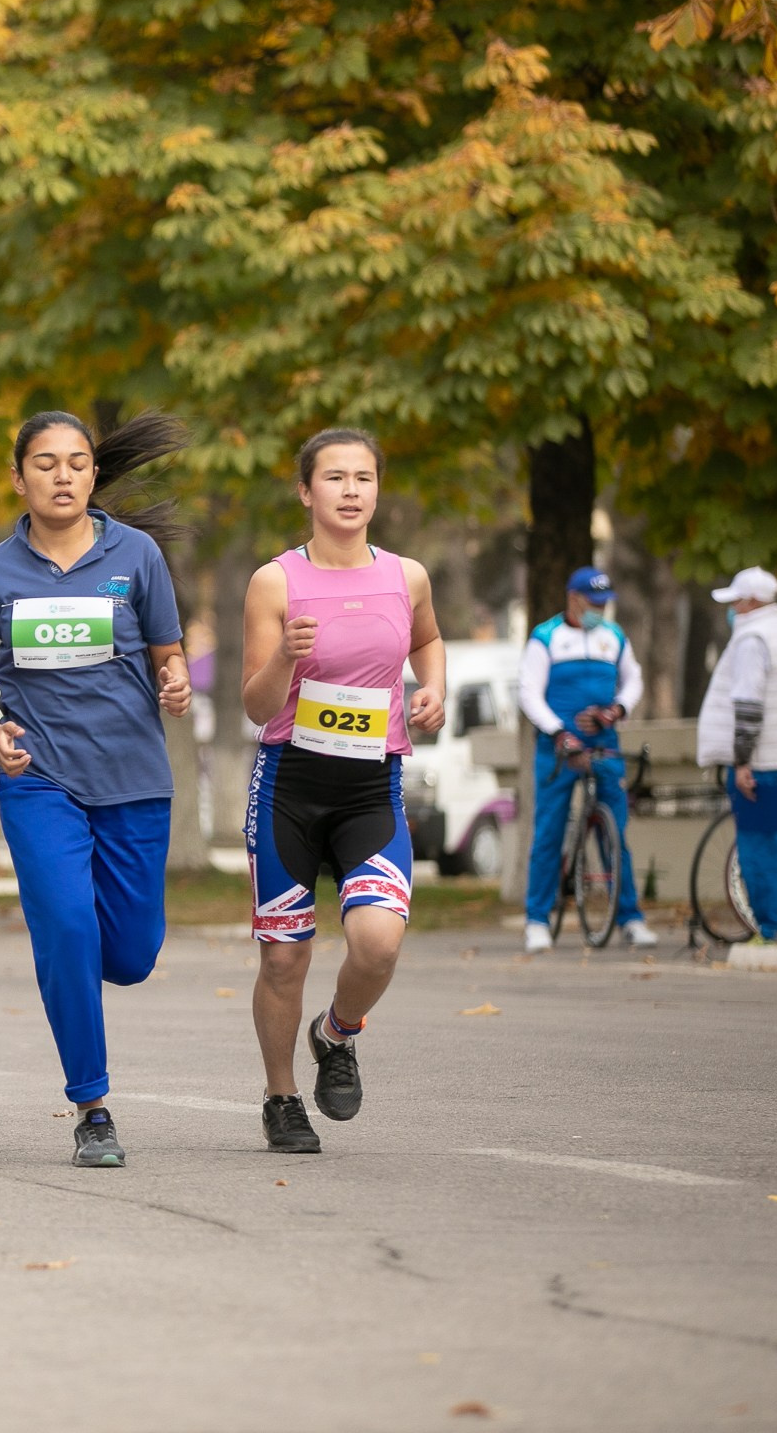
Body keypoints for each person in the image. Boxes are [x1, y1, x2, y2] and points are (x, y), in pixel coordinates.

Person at [0, 410, 192, 1169]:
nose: (63, 475)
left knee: (130, 955)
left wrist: (175, 680)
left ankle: (91, 994)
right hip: (38, 779)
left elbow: (168, 657)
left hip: (133, 782)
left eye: (77, 462)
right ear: (19, 479)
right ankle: (93, 1106)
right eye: (45, 463)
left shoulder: (138, 557)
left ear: (93, 475)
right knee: (68, 931)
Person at [239, 429, 445, 1155]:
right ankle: (281, 1095)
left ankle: (336, 1034)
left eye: (364, 477)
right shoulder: (275, 582)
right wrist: (288, 662)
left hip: (370, 786)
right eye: (334, 477)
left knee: (378, 940)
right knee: (284, 957)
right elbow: (255, 705)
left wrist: (435, 690)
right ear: (306, 491)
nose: (352, 490)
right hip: (289, 785)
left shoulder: (406, 576)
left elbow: (427, 640)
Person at [517, 567, 655, 952]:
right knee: (549, 833)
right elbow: (529, 693)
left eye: (604, 602)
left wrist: (618, 709)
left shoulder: (614, 637)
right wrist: (559, 731)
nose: (600, 609)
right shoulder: (546, 637)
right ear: (573, 598)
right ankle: (537, 920)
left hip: (604, 746)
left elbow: (634, 679)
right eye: (594, 602)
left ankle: (630, 917)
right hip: (559, 750)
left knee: (617, 837)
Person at [697, 569, 777, 939]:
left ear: (752, 602)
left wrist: (741, 762)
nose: (734, 609)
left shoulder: (753, 640)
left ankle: (774, 930)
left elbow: (748, 707)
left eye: (736, 602)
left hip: (764, 766)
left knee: (759, 850)